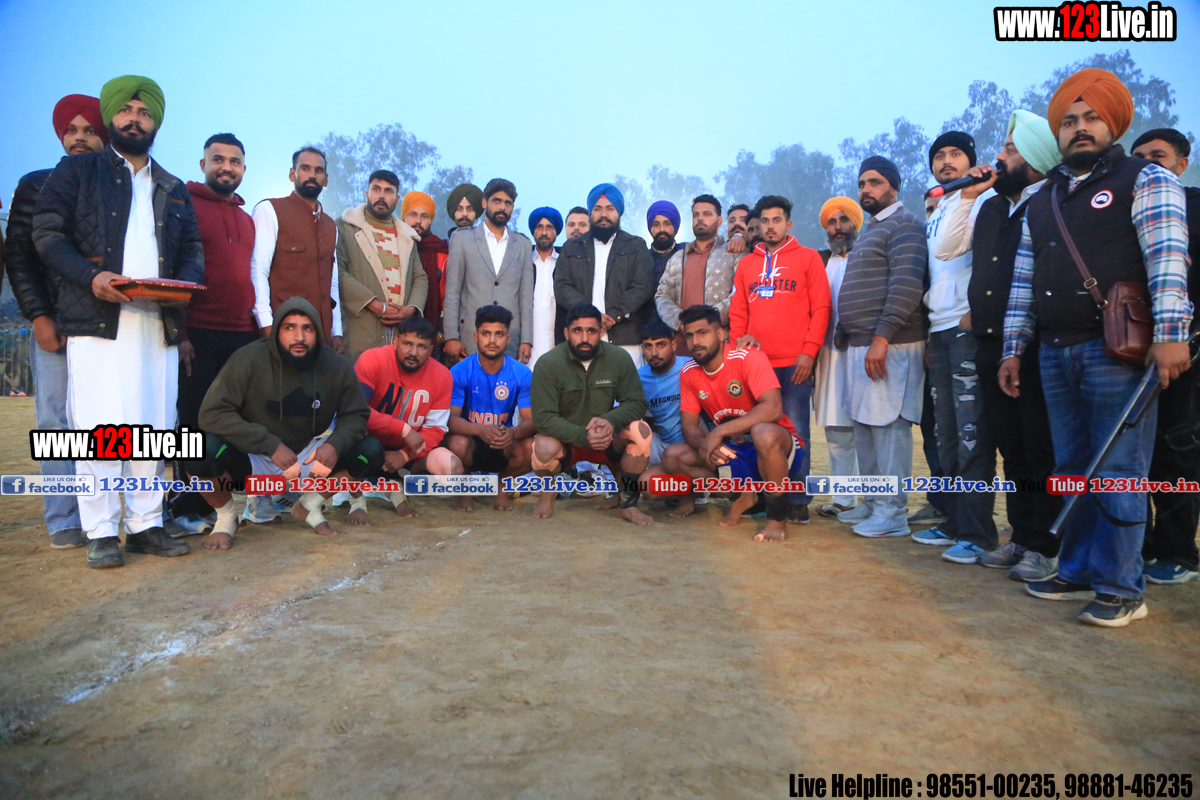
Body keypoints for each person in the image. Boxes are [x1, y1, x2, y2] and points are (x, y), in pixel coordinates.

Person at [1000, 68, 1192, 627]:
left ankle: (1121, 587)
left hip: (1119, 351)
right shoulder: (1043, 199)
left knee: (1118, 469)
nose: (1079, 128)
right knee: (1072, 467)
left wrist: (1171, 335)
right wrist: (1013, 347)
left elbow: (1167, 260)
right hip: (1055, 351)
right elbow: (1024, 281)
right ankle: (1079, 569)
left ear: (1113, 124)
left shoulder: (1146, 179)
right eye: (1068, 121)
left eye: (1091, 118)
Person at [32, 75, 200, 568]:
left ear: (156, 122)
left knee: (153, 424)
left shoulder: (172, 186)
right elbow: (47, 236)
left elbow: (192, 250)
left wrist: (182, 289)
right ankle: (102, 531)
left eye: (144, 113)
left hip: (156, 323)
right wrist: (91, 277)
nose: (135, 119)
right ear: (111, 117)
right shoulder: (78, 171)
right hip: (98, 320)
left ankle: (146, 524)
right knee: (101, 427)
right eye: (126, 110)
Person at [933, 110, 1063, 582]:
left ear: (1037, 158)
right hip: (989, 343)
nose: (999, 157)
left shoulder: (1051, 202)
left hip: (1034, 343)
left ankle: (1048, 545)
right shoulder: (990, 206)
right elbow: (946, 248)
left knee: (1040, 449)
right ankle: (1022, 536)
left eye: (1010, 149)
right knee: (1012, 448)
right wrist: (970, 194)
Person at [192, 298, 383, 548]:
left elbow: (356, 414)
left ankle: (309, 504)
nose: (299, 337)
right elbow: (212, 413)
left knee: (370, 451)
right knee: (198, 448)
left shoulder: (337, 366)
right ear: (276, 331)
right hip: (254, 457)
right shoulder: (248, 358)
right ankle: (227, 518)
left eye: (308, 328)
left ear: (318, 332)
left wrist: (334, 445)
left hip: (308, 459)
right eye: (289, 327)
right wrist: (269, 444)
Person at [5, 93, 107, 550]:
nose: (80, 138)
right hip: (57, 323)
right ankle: (64, 517)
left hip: (106, 324)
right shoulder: (36, 184)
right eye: (72, 130)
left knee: (107, 425)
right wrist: (40, 315)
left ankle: (109, 514)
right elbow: (21, 257)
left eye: (90, 130)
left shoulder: (117, 189)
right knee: (56, 422)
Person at [911, 131, 1002, 564]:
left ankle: (979, 532)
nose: (946, 161)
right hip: (939, 329)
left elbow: (986, 257)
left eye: (956, 154)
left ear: (971, 161)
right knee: (945, 433)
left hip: (967, 329)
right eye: (939, 156)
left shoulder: (982, 199)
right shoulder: (939, 206)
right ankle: (954, 519)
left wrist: (977, 310)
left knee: (971, 435)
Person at [834, 156, 929, 538]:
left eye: (874, 182)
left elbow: (906, 285)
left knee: (889, 428)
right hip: (862, 345)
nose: (866, 190)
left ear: (893, 185)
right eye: (861, 184)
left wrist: (881, 337)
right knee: (866, 428)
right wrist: (844, 327)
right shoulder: (873, 228)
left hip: (890, 345)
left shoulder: (905, 225)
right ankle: (874, 502)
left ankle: (892, 513)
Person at [169, 133, 260, 532]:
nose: (227, 167)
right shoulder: (184, 206)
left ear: (243, 168)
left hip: (241, 335)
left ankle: (223, 502)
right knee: (191, 421)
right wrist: (180, 333)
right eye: (218, 159)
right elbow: (173, 268)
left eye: (234, 161)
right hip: (198, 332)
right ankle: (185, 505)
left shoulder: (246, 219)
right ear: (203, 164)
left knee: (232, 420)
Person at [728, 195, 831, 523]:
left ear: (788, 223)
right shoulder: (747, 264)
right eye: (765, 221)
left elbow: (821, 308)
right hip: (756, 365)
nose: (770, 226)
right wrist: (738, 354)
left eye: (777, 220)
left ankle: (797, 500)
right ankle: (764, 498)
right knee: (756, 431)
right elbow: (738, 313)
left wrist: (809, 352)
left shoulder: (808, 258)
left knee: (796, 431)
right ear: (757, 226)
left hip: (794, 363)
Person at [663, 304, 804, 542]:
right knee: (673, 456)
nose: (696, 341)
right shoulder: (688, 371)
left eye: (702, 333)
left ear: (720, 334)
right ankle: (742, 494)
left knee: (762, 432)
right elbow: (689, 426)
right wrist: (708, 444)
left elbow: (773, 408)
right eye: (689, 335)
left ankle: (777, 519)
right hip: (734, 452)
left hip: (777, 449)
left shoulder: (748, 356)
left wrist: (720, 431)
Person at [1130, 127, 1200, 586]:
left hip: (1185, 348)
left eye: (1158, 155)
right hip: (1132, 347)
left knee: (1177, 450)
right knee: (1138, 450)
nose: (1148, 164)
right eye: (1139, 157)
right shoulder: (1129, 207)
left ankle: (1178, 552)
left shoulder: (1194, 206)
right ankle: (1141, 544)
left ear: (1182, 163)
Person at [528, 303, 651, 524]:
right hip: (566, 441)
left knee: (640, 432)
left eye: (591, 331)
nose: (585, 338)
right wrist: (584, 436)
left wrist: (609, 420)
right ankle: (548, 493)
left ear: (601, 333)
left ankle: (628, 502)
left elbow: (636, 403)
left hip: (606, 438)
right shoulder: (548, 363)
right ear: (566, 333)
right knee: (542, 446)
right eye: (578, 331)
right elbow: (543, 418)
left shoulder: (619, 358)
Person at [355, 316, 458, 520]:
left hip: (409, 448)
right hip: (368, 441)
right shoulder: (373, 359)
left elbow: (436, 429)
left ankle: (401, 481)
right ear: (395, 342)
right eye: (407, 344)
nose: (413, 352)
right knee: (359, 440)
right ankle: (359, 488)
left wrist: (404, 455)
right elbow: (357, 411)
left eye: (421, 346)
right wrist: (402, 428)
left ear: (431, 350)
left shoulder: (442, 375)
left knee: (451, 465)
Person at [250, 146, 344, 352]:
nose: (312, 175)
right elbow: (257, 271)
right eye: (305, 168)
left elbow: (332, 283)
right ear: (292, 174)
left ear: (326, 179)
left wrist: (336, 332)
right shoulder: (270, 210)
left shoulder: (331, 225)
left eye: (318, 171)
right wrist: (266, 326)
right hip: (283, 332)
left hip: (321, 336)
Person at [554, 183, 656, 367]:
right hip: (583, 338)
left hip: (626, 339)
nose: (603, 214)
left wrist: (614, 315)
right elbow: (562, 287)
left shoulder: (635, 245)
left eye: (610, 209)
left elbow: (643, 286)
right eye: (597, 209)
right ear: (590, 213)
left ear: (619, 212)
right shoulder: (571, 248)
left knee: (626, 385)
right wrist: (592, 315)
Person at [445, 305, 535, 511]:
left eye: (499, 334)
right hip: (470, 440)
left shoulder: (522, 373)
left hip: (503, 441)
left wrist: (513, 432)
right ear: (476, 337)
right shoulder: (459, 371)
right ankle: (464, 489)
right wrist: (480, 430)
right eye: (486, 334)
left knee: (531, 448)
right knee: (456, 443)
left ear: (508, 339)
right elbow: (449, 420)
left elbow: (531, 421)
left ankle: (502, 487)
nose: (492, 340)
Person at [335, 169, 428, 364]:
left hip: (400, 332)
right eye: (376, 189)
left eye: (388, 191)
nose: (381, 196)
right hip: (361, 327)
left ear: (397, 199)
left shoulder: (407, 235)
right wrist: (374, 304)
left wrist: (410, 309)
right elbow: (337, 272)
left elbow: (419, 277)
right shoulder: (345, 227)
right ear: (367, 193)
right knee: (360, 377)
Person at [441, 178, 534, 364]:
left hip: (509, 338)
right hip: (469, 338)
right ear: (484, 203)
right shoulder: (462, 239)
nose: (502, 207)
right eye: (497, 201)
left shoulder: (523, 244)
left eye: (508, 203)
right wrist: (451, 336)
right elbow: (452, 292)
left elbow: (525, 298)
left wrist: (526, 340)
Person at [812, 197, 864, 517]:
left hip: (864, 354)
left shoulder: (868, 256)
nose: (838, 227)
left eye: (844, 220)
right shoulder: (819, 261)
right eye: (831, 222)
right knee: (836, 431)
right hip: (828, 357)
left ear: (855, 223)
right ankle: (845, 500)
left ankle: (876, 503)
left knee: (870, 429)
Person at [655, 194, 740, 356]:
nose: (700, 219)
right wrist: (681, 321)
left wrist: (705, 322)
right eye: (696, 215)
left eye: (707, 214)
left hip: (720, 347)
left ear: (719, 220)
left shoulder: (733, 252)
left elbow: (740, 294)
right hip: (681, 348)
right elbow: (662, 295)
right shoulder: (677, 258)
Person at [635, 320, 685, 482]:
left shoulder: (690, 367)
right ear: (642, 349)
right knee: (647, 485)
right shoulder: (638, 378)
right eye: (648, 346)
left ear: (673, 345)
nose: (654, 352)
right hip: (662, 444)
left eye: (661, 345)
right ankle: (623, 490)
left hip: (696, 444)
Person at [401, 190, 449, 340]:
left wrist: (442, 334)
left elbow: (448, 297)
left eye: (424, 216)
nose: (418, 221)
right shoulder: (393, 247)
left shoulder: (442, 252)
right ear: (404, 217)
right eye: (413, 214)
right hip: (396, 328)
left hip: (432, 334)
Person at [527, 206, 563, 366]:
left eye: (549, 227)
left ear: (556, 232)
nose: (543, 232)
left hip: (557, 343)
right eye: (539, 227)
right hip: (527, 346)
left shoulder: (564, 263)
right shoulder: (524, 262)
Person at [646, 200, 684, 313]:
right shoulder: (641, 257)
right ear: (650, 228)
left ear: (675, 227)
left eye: (667, 224)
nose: (662, 229)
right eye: (656, 225)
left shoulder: (688, 252)